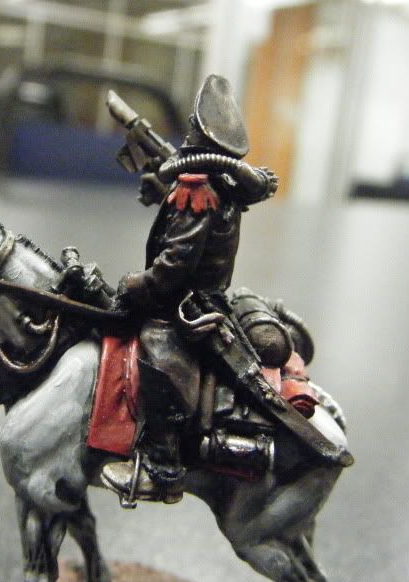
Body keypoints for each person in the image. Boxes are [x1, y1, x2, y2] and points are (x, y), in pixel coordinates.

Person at [100, 74, 278, 504]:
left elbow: (173, 268)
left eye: (192, 130)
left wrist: (132, 284)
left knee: (156, 350)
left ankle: (162, 468)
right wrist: (164, 191)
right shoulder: (218, 184)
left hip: (188, 306)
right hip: (203, 295)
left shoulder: (198, 189)